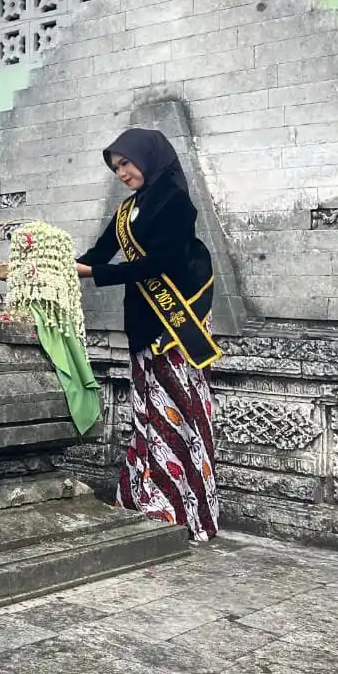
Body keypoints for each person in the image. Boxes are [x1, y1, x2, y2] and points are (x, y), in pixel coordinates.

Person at [75, 127, 221, 542]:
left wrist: (95, 273)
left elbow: (162, 264)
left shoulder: (176, 201)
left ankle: (183, 510)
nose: (122, 172)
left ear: (150, 158)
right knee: (149, 412)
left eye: (127, 162)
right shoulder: (127, 210)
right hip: (143, 322)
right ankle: (147, 496)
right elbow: (98, 255)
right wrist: (55, 263)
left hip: (177, 321)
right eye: (116, 167)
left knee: (179, 411)